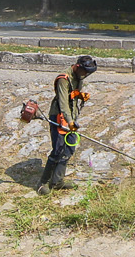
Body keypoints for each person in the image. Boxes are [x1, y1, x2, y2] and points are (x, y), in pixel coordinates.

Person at [37, 55, 98, 193]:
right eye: (85, 72)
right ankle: (43, 183)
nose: (86, 75)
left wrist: (79, 95)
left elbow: (72, 95)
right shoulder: (63, 79)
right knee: (58, 150)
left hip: (71, 117)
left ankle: (57, 181)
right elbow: (63, 102)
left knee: (69, 148)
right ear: (77, 67)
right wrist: (69, 121)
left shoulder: (79, 77)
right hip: (59, 117)